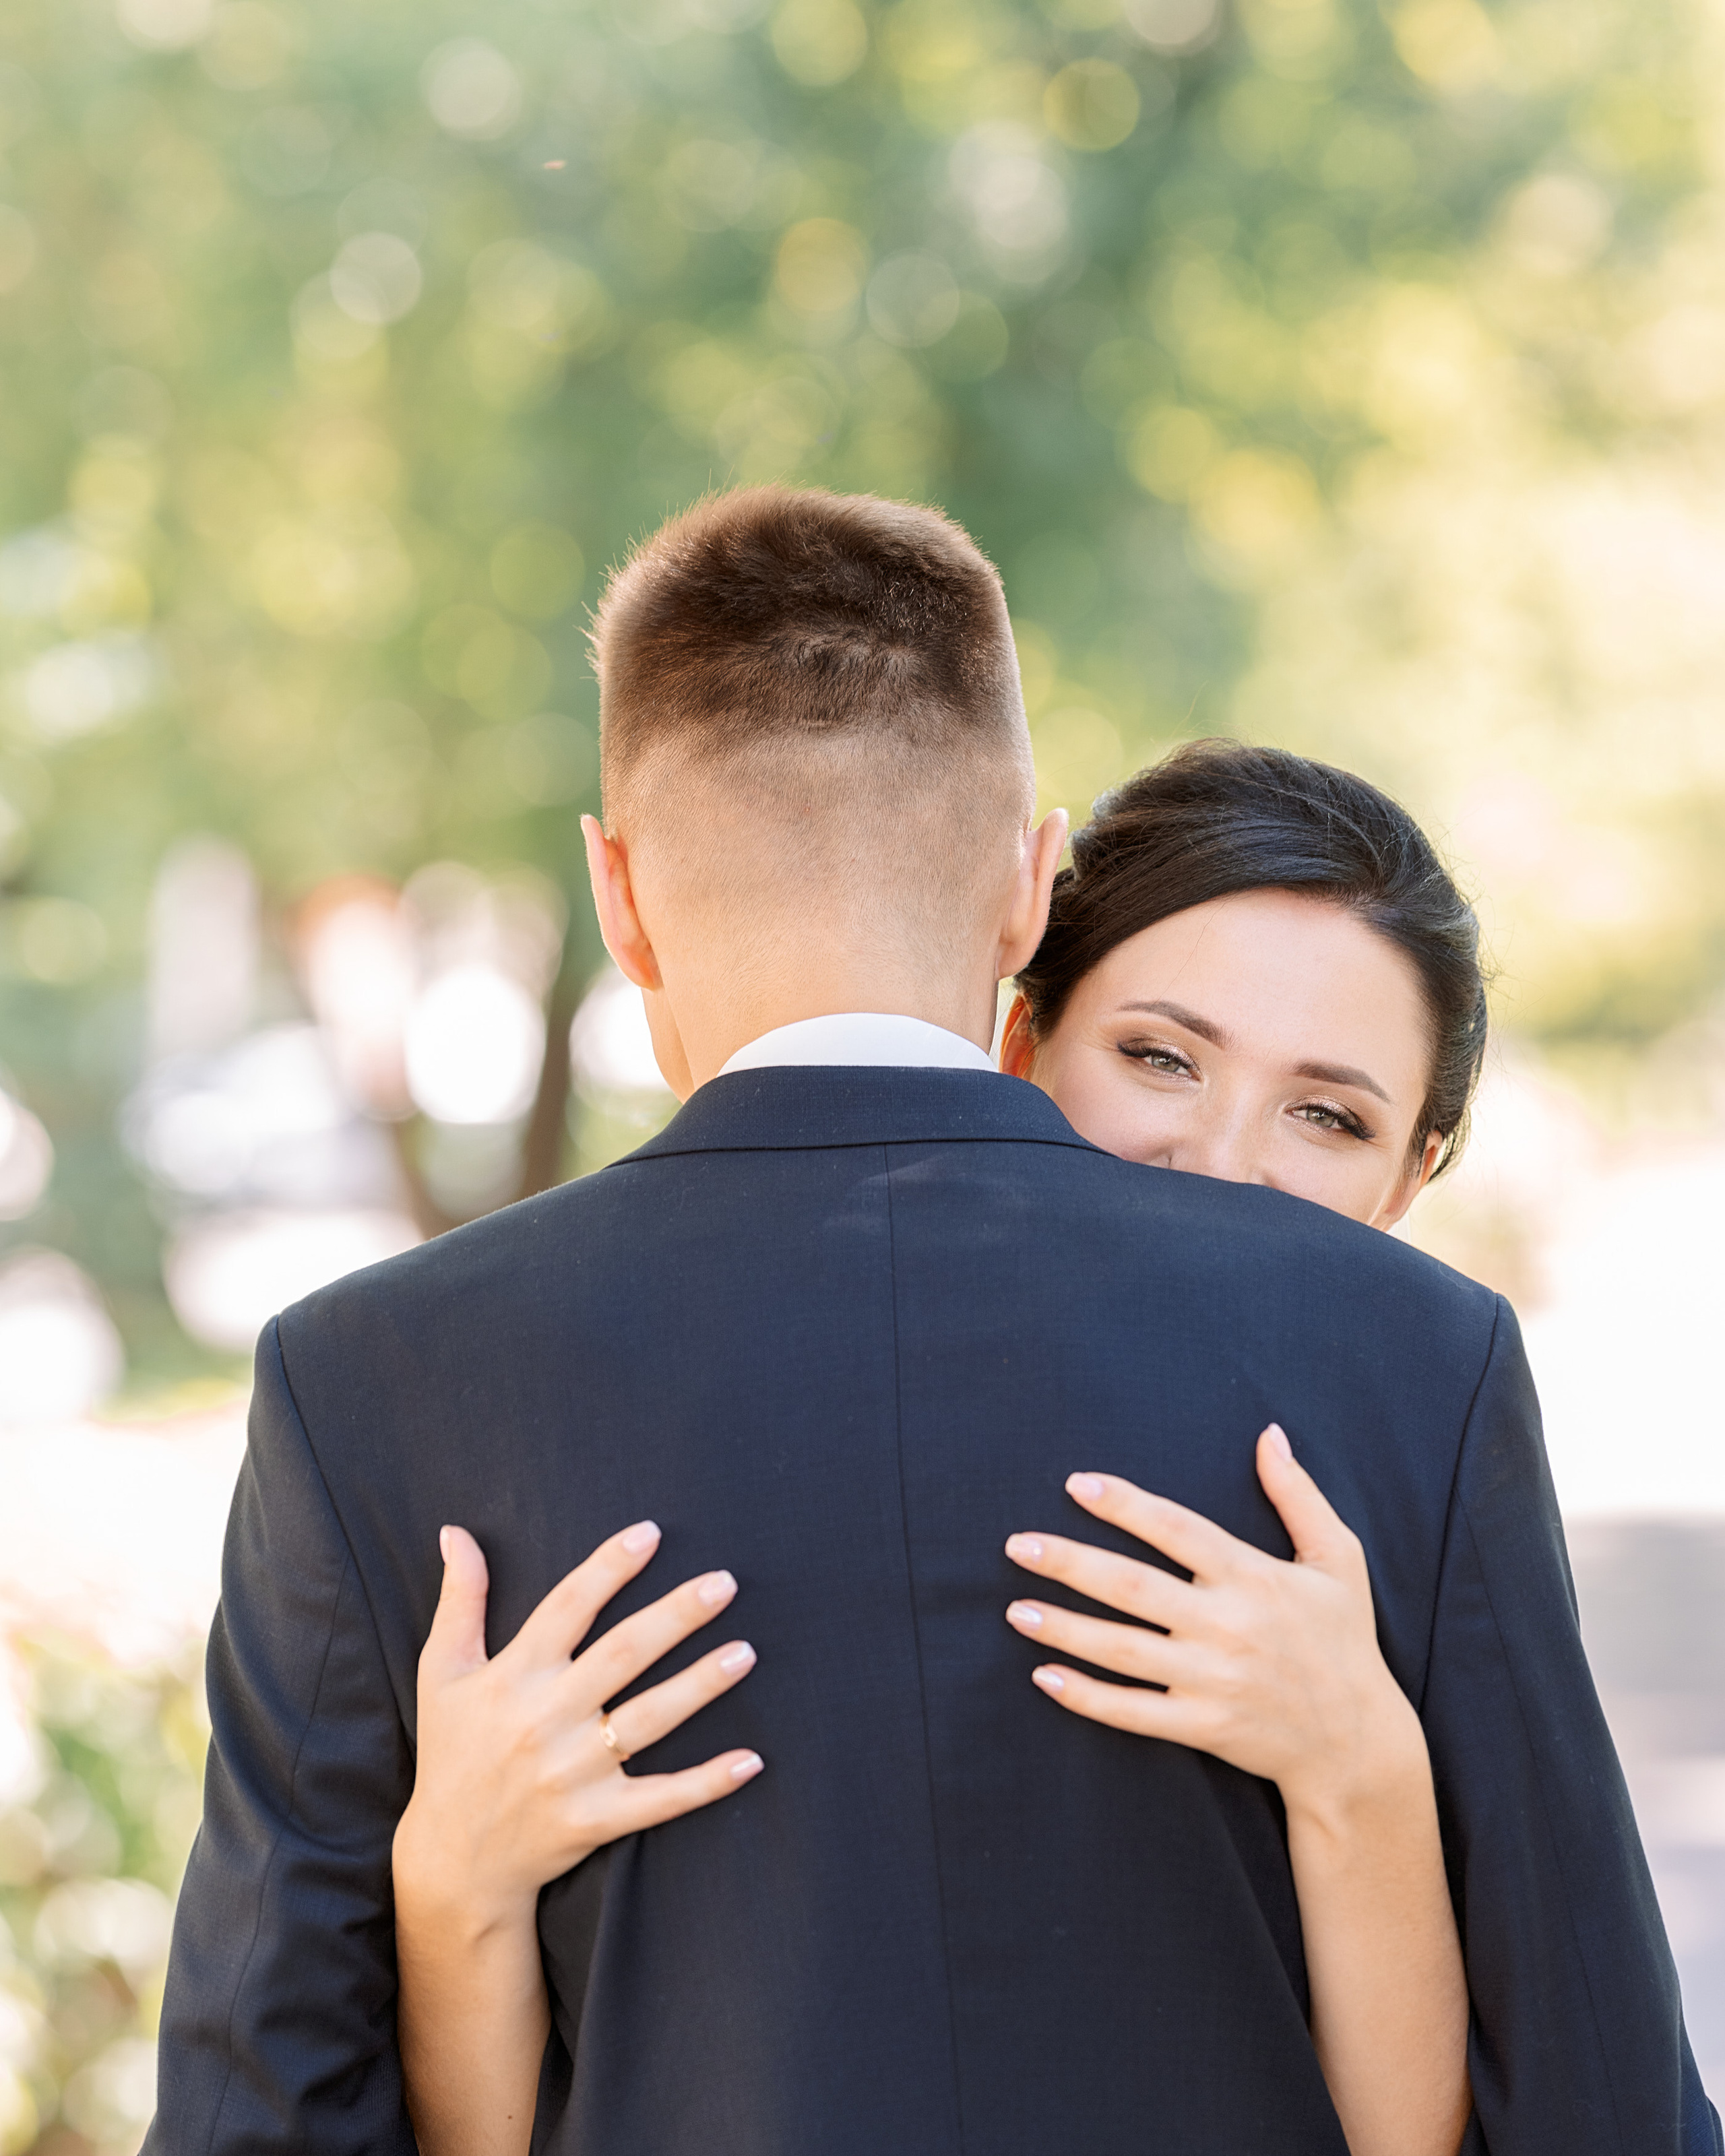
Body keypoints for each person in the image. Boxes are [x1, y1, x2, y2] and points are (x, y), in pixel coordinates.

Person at [146, 489, 1716, 2156]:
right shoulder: (1419, 1358)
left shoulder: (370, 1383)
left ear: (614, 891)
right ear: (1030, 893)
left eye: (1325, 1113)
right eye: (1164, 1057)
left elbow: (265, 2109)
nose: (1220, 1152)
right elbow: (1601, 2108)